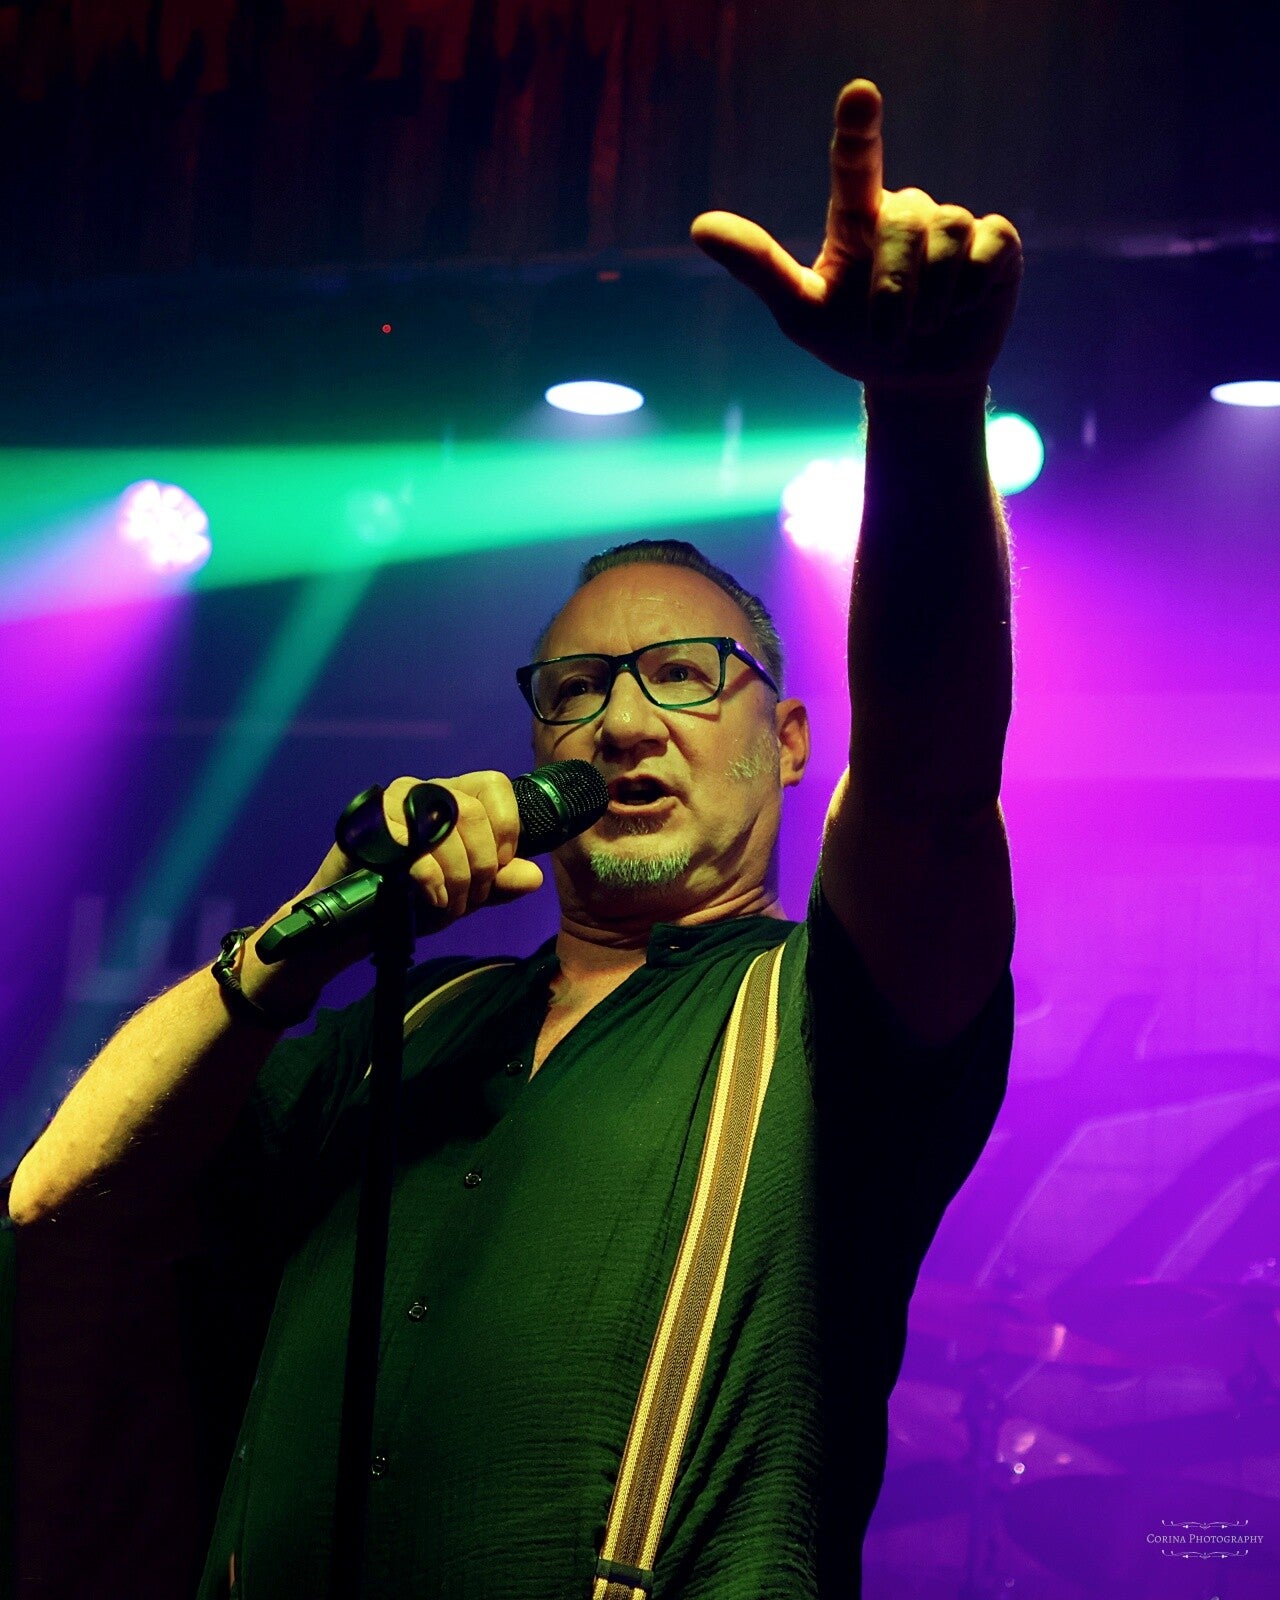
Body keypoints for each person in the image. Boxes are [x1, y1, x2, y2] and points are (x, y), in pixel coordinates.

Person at [7, 78, 1020, 1597]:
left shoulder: (829, 1016)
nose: (624, 725)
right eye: (578, 690)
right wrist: (299, 938)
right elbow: (58, 1203)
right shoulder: (405, 1026)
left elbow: (935, 774)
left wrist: (928, 409)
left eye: (687, 674)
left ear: (791, 740)